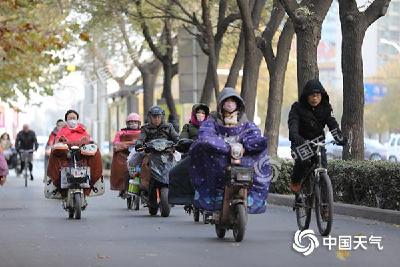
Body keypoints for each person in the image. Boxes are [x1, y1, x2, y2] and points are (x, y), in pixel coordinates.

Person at [189, 87, 270, 214]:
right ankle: (214, 196)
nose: (230, 104)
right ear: (221, 104)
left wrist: (247, 146)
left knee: (259, 158)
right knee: (201, 149)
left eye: (233, 101)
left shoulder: (246, 123)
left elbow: (254, 136)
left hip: (241, 157)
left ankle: (253, 197)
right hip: (220, 154)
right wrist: (224, 147)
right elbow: (206, 135)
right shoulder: (212, 121)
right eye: (227, 101)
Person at [288, 79, 347, 193]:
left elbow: (332, 124)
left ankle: (324, 205)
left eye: (317, 95)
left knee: (323, 168)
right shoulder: (297, 108)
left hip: (318, 144)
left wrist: (339, 138)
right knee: (303, 161)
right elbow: (293, 124)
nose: (315, 98)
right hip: (301, 143)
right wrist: (295, 136)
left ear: (322, 96)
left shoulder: (326, 109)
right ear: (306, 96)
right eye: (312, 96)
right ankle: (296, 181)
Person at [46, 110, 102, 197]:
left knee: (96, 153)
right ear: (66, 120)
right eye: (70, 118)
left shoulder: (83, 130)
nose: (72, 120)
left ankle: (90, 183)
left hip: (81, 156)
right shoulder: (62, 131)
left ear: (77, 119)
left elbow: (89, 140)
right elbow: (57, 141)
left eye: (74, 118)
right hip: (66, 157)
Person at [110, 113, 142, 196]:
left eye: (135, 122)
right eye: (131, 122)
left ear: (139, 123)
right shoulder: (121, 133)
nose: (133, 124)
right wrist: (128, 144)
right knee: (123, 169)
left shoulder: (143, 132)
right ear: (127, 123)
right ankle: (123, 187)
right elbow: (115, 143)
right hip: (124, 155)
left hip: (140, 154)